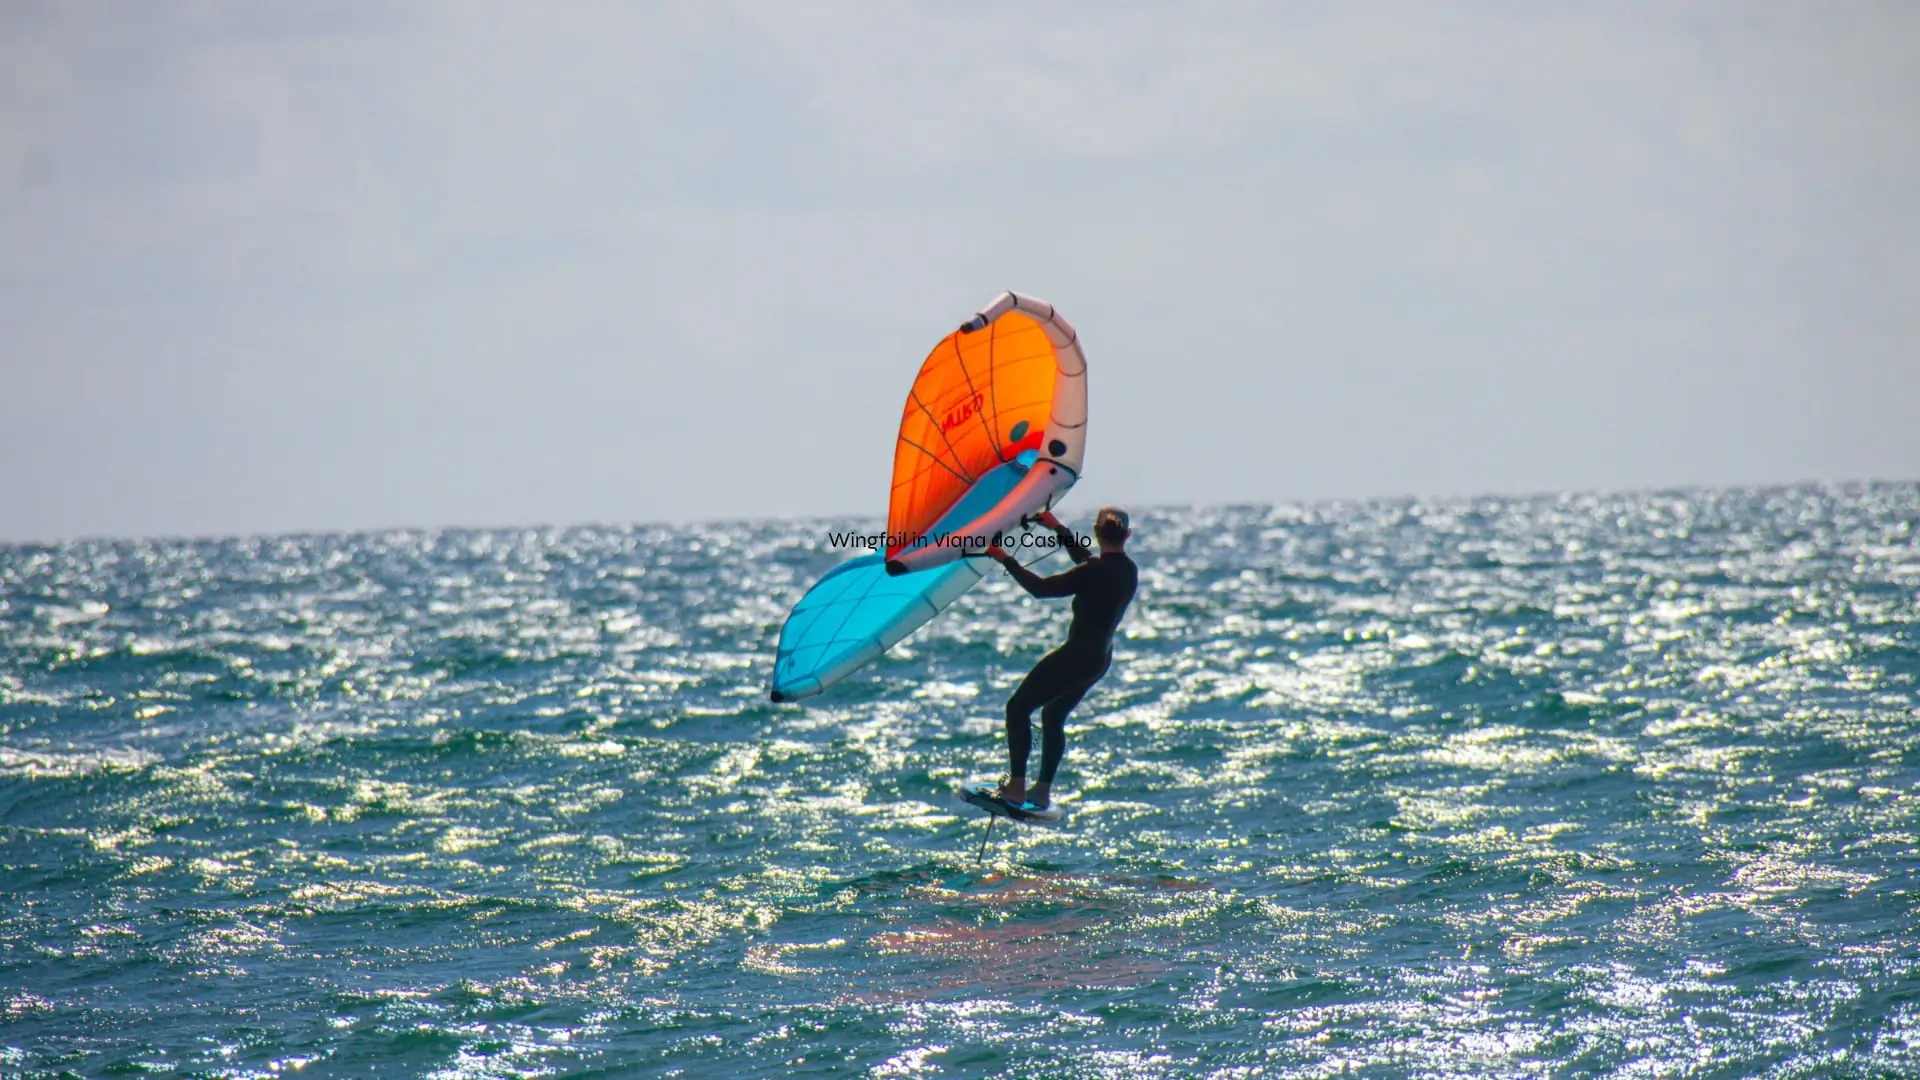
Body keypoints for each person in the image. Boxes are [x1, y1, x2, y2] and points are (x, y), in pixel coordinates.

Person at [984, 506, 1137, 810]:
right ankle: (1041, 791)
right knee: (1052, 716)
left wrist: (1004, 559)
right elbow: (1087, 562)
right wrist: (1056, 527)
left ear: (1096, 532)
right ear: (1127, 535)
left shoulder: (1092, 572)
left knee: (1017, 708)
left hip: (1076, 657)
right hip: (1099, 659)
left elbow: (1041, 589)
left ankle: (1016, 787)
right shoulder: (1127, 569)